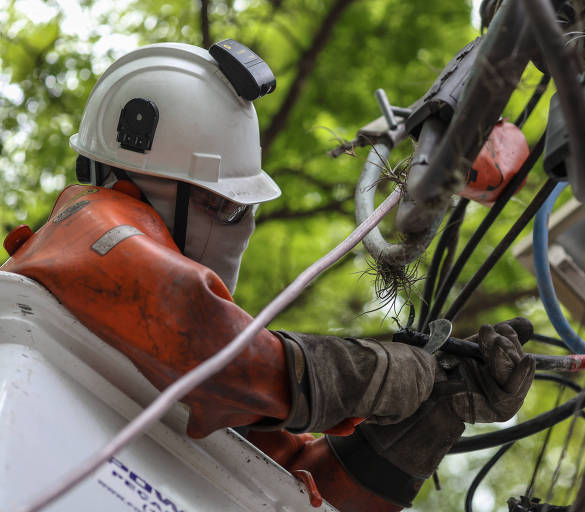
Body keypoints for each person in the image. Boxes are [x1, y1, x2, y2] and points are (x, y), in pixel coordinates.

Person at [0, 40, 535, 511]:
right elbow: (203, 337)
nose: (238, 227)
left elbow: (304, 490)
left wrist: (435, 408)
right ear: (153, 183)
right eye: (224, 205)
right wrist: (372, 374)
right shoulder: (90, 229)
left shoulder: (177, 374)